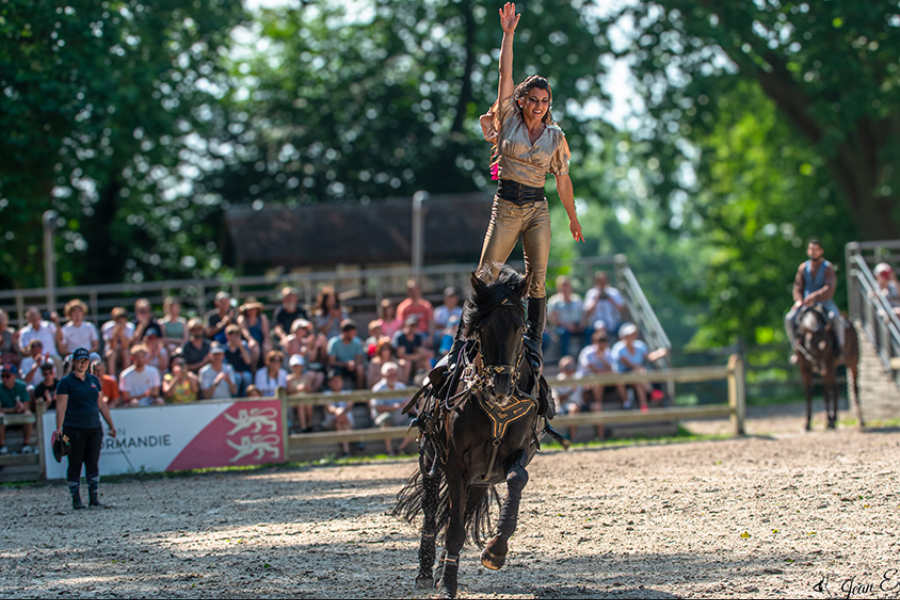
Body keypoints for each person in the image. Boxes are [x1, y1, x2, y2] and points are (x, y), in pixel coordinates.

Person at [446, 2, 583, 373]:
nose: (538, 106)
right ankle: (460, 345)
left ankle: (534, 344)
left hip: (537, 208)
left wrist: (572, 217)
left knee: (537, 279)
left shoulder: (556, 137)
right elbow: (504, 74)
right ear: (522, 101)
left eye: (544, 102)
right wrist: (508, 35)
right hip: (506, 205)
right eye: (533, 100)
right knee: (486, 274)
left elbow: (563, 180)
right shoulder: (508, 118)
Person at [54, 348, 117, 509]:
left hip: (94, 426)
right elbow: (61, 406)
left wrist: (111, 424)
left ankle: (93, 497)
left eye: (85, 360)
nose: (82, 363)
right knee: (75, 461)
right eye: (79, 360)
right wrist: (59, 428)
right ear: (73, 362)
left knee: (92, 462)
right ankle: (76, 498)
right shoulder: (65, 383)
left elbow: (101, 404)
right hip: (73, 427)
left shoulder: (94, 380)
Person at [784, 238, 844, 360]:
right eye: (811, 249)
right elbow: (798, 286)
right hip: (806, 302)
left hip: (824, 301)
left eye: (816, 250)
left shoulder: (828, 267)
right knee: (789, 319)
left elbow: (829, 287)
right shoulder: (803, 268)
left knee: (836, 318)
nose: (813, 252)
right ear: (808, 251)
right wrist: (799, 300)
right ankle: (795, 349)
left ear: (821, 251)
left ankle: (840, 348)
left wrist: (815, 296)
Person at [611, 323, 668, 412]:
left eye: (633, 334)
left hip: (637, 375)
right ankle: (651, 391)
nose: (632, 336)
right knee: (638, 373)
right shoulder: (618, 348)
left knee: (638, 382)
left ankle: (643, 405)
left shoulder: (640, 345)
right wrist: (638, 367)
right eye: (629, 334)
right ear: (624, 336)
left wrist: (659, 353)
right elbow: (625, 362)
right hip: (623, 374)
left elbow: (648, 356)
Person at [574, 331, 615, 439]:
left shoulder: (608, 353)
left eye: (604, 341)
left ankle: (598, 403)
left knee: (600, 381)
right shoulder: (587, 352)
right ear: (594, 342)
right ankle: (597, 403)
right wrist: (604, 370)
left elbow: (612, 370)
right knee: (598, 380)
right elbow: (593, 369)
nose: (602, 344)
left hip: (599, 384)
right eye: (599, 341)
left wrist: (601, 358)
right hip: (582, 385)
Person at [370, 361, 415, 456]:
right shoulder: (377, 388)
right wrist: (396, 406)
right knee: (386, 419)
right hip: (384, 420)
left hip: (401, 418)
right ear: (383, 375)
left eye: (394, 374)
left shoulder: (401, 386)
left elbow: (408, 405)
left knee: (417, 422)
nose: (392, 376)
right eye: (389, 374)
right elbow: (379, 408)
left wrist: (409, 405)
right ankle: (389, 450)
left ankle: (400, 448)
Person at [548, 275, 588, 356]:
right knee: (564, 333)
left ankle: (584, 355)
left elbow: (584, 314)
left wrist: (581, 324)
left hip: (577, 325)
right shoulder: (554, 301)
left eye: (567, 285)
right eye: (563, 286)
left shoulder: (577, 299)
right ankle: (565, 357)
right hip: (562, 327)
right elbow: (552, 318)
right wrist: (567, 325)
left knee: (589, 332)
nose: (565, 288)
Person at [0, 364, 33, 454]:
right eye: (2, 376)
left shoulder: (21, 386)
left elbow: (27, 405)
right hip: (5, 420)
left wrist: (22, 407)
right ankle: (2, 446)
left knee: (28, 413)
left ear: (14, 376)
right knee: (0, 416)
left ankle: (26, 444)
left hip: (20, 416)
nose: (4, 379)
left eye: (7, 376)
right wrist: (13, 410)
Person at [583, 271, 625, 339]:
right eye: (599, 281)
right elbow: (588, 312)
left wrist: (612, 301)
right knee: (600, 325)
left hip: (614, 322)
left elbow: (622, 310)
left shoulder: (614, 292)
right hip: (597, 323)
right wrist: (596, 300)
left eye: (603, 280)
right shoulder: (591, 293)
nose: (602, 283)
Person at [322, 369, 353, 457]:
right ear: (329, 383)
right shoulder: (326, 394)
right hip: (332, 422)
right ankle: (351, 443)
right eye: (334, 380)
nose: (336, 382)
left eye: (338, 380)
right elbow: (329, 407)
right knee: (340, 419)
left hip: (347, 422)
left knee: (342, 419)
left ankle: (346, 451)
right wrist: (338, 411)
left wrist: (341, 411)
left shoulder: (348, 393)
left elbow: (350, 405)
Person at [327, 319, 366, 389]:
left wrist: (353, 364)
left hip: (353, 367)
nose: (355, 334)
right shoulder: (334, 343)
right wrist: (346, 364)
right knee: (334, 372)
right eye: (352, 333)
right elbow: (331, 362)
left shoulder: (357, 342)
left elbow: (359, 359)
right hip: (339, 368)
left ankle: (360, 393)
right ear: (345, 332)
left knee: (360, 368)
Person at [393, 317, 433, 383]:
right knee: (407, 363)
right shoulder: (400, 337)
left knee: (425, 361)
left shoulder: (418, 337)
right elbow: (401, 355)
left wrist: (423, 354)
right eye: (411, 325)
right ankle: (404, 384)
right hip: (399, 360)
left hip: (413, 359)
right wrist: (418, 356)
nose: (413, 327)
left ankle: (431, 381)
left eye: (415, 325)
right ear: (406, 325)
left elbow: (422, 352)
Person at [553, 356, 583, 440]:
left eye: (571, 366)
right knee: (573, 408)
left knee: (596, 406)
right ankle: (573, 438)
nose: (569, 369)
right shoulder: (558, 380)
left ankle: (601, 437)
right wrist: (571, 391)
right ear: (561, 368)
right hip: (564, 406)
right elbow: (559, 400)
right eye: (567, 367)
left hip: (580, 404)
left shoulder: (580, 377)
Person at [224, 324, 257, 396]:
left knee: (247, 376)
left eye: (236, 335)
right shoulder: (224, 349)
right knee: (237, 377)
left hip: (244, 372)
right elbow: (225, 366)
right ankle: (234, 399)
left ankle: (246, 398)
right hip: (232, 373)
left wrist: (241, 347)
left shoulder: (244, 345)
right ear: (227, 336)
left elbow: (248, 361)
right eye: (232, 335)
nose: (234, 337)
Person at [237, 296, 270, 367]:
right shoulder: (242, 319)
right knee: (255, 348)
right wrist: (251, 340)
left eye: (253, 309)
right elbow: (245, 331)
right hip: (247, 343)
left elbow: (266, 334)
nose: (251, 311)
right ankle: (253, 370)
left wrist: (266, 341)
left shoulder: (262, 318)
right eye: (249, 309)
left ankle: (267, 369)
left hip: (261, 342)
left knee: (267, 347)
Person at [101, 307, 133, 376]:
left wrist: (121, 333)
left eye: (123, 318)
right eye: (118, 319)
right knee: (112, 353)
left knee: (126, 352)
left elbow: (125, 346)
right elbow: (112, 347)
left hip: (123, 352)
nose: (121, 321)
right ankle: (113, 378)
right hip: (111, 353)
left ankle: (126, 376)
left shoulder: (130, 327)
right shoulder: (107, 327)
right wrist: (115, 333)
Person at [286, 354, 314, 432]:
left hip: (305, 399)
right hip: (295, 401)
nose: (297, 368)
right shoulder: (289, 378)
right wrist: (297, 389)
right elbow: (289, 392)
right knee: (301, 404)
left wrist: (306, 388)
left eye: (298, 366)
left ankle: (309, 423)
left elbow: (310, 391)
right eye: (295, 366)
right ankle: (303, 427)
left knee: (307, 404)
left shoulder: (307, 377)